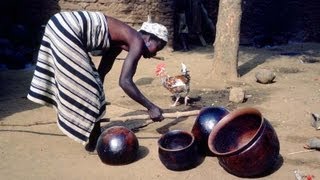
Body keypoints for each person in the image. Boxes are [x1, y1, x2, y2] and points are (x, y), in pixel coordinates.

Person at [27, 11, 168, 152]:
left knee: (92, 87)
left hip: (60, 23)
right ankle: (94, 140)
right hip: (68, 26)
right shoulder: (136, 40)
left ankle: (93, 135)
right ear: (149, 38)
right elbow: (125, 81)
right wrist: (150, 107)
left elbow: (102, 72)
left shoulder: (119, 41)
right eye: (158, 48)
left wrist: (97, 93)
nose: (154, 55)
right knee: (90, 90)